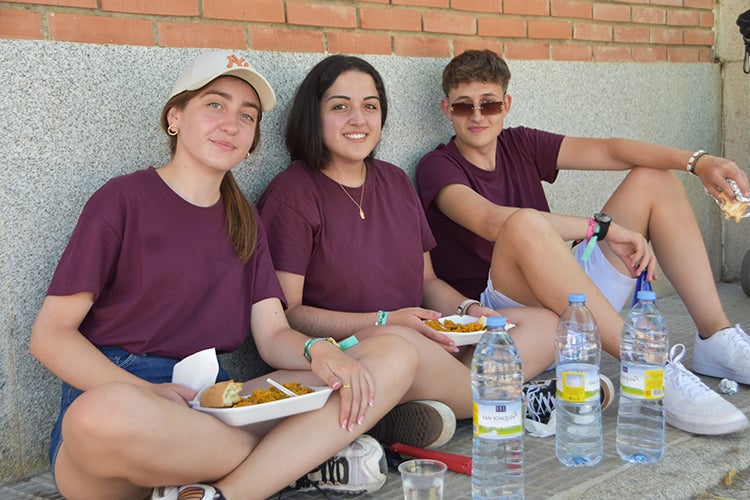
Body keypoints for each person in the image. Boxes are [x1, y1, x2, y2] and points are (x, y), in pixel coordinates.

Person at [29, 50, 421, 500]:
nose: (231, 124)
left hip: (216, 403)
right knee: (97, 416)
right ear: (175, 117)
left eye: (247, 115)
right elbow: (50, 337)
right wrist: (149, 393)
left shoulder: (245, 220)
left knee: (392, 354)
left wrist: (318, 351)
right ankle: (298, 460)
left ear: (253, 139)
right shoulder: (121, 200)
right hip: (125, 413)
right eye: (215, 104)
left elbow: (272, 335)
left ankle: (224, 491)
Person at [415, 48, 750, 435]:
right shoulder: (436, 166)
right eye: (463, 106)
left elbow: (610, 149)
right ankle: (647, 366)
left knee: (655, 178)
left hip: (568, 291)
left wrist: (698, 161)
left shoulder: (520, 144)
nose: (477, 116)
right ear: (446, 109)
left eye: (488, 104)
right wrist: (600, 228)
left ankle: (716, 338)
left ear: (506, 105)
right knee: (522, 223)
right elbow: (492, 220)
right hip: (509, 310)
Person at [256, 54, 564, 446]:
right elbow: (290, 315)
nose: (358, 119)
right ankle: (513, 401)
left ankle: (407, 410)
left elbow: (428, 282)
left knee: (543, 325)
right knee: (404, 349)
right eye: (339, 106)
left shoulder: (396, 181)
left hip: (427, 340)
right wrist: (386, 320)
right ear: (312, 116)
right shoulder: (293, 193)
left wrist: (467, 311)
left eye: (370, 106)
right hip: (364, 348)